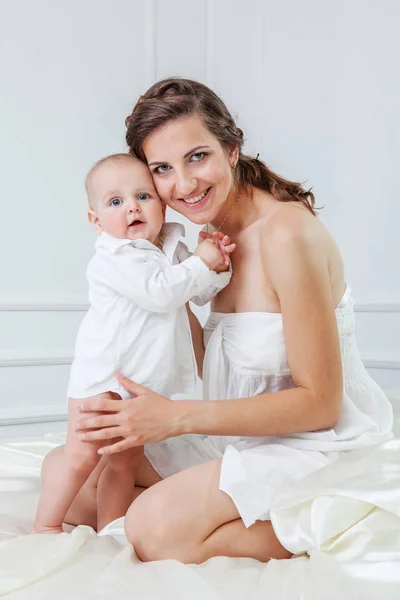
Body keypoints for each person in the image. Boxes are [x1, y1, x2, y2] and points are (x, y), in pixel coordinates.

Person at [69, 78, 393, 563]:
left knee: (151, 527)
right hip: (241, 435)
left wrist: (175, 419)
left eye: (197, 157)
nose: (184, 185)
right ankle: (195, 514)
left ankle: (336, 517)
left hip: (313, 443)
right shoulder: (213, 236)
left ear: (232, 148)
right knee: (77, 482)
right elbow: (220, 357)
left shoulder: (285, 235)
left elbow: (321, 405)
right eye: (162, 169)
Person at [32, 152, 234, 534]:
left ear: (161, 203)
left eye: (143, 196)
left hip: (140, 383)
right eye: (115, 202)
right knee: (81, 455)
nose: (132, 208)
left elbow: (197, 291)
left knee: (124, 462)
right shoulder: (114, 257)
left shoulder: (170, 248)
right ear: (96, 221)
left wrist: (218, 268)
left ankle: (112, 529)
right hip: (103, 380)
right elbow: (160, 293)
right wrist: (200, 263)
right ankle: (44, 525)